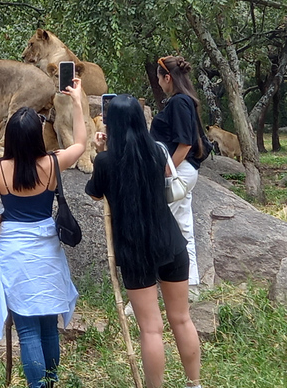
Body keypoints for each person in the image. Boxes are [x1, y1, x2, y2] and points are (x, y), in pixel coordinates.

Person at [86, 94, 201, 388]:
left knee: (151, 330)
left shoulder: (105, 161)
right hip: (171, 244)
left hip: (134, 251)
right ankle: (194, 384)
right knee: (181, 319)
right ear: (140, 120)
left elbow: (96, 192)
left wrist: (101, 150)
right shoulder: (159, 154)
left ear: (110, 126)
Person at [0, 78, 85, 388]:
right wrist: (77, 102)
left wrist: (4, 218)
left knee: (27, 331)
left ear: (10, 138)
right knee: (49, 326)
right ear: (37, 137)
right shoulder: (52, 163)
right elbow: (79, 143)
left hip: (15, 253)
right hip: (47, 252)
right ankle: (51, 382)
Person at [150, 56, 205, 290]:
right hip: (183, 170)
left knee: (158, 226)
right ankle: (191, 283)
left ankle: (150, 286)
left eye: (159, 78)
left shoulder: (179, 103)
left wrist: (165, 172)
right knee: (183, 226)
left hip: (178, 170)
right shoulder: (183, 100)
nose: (158, 82)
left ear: (168, 77)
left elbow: (185, 144)